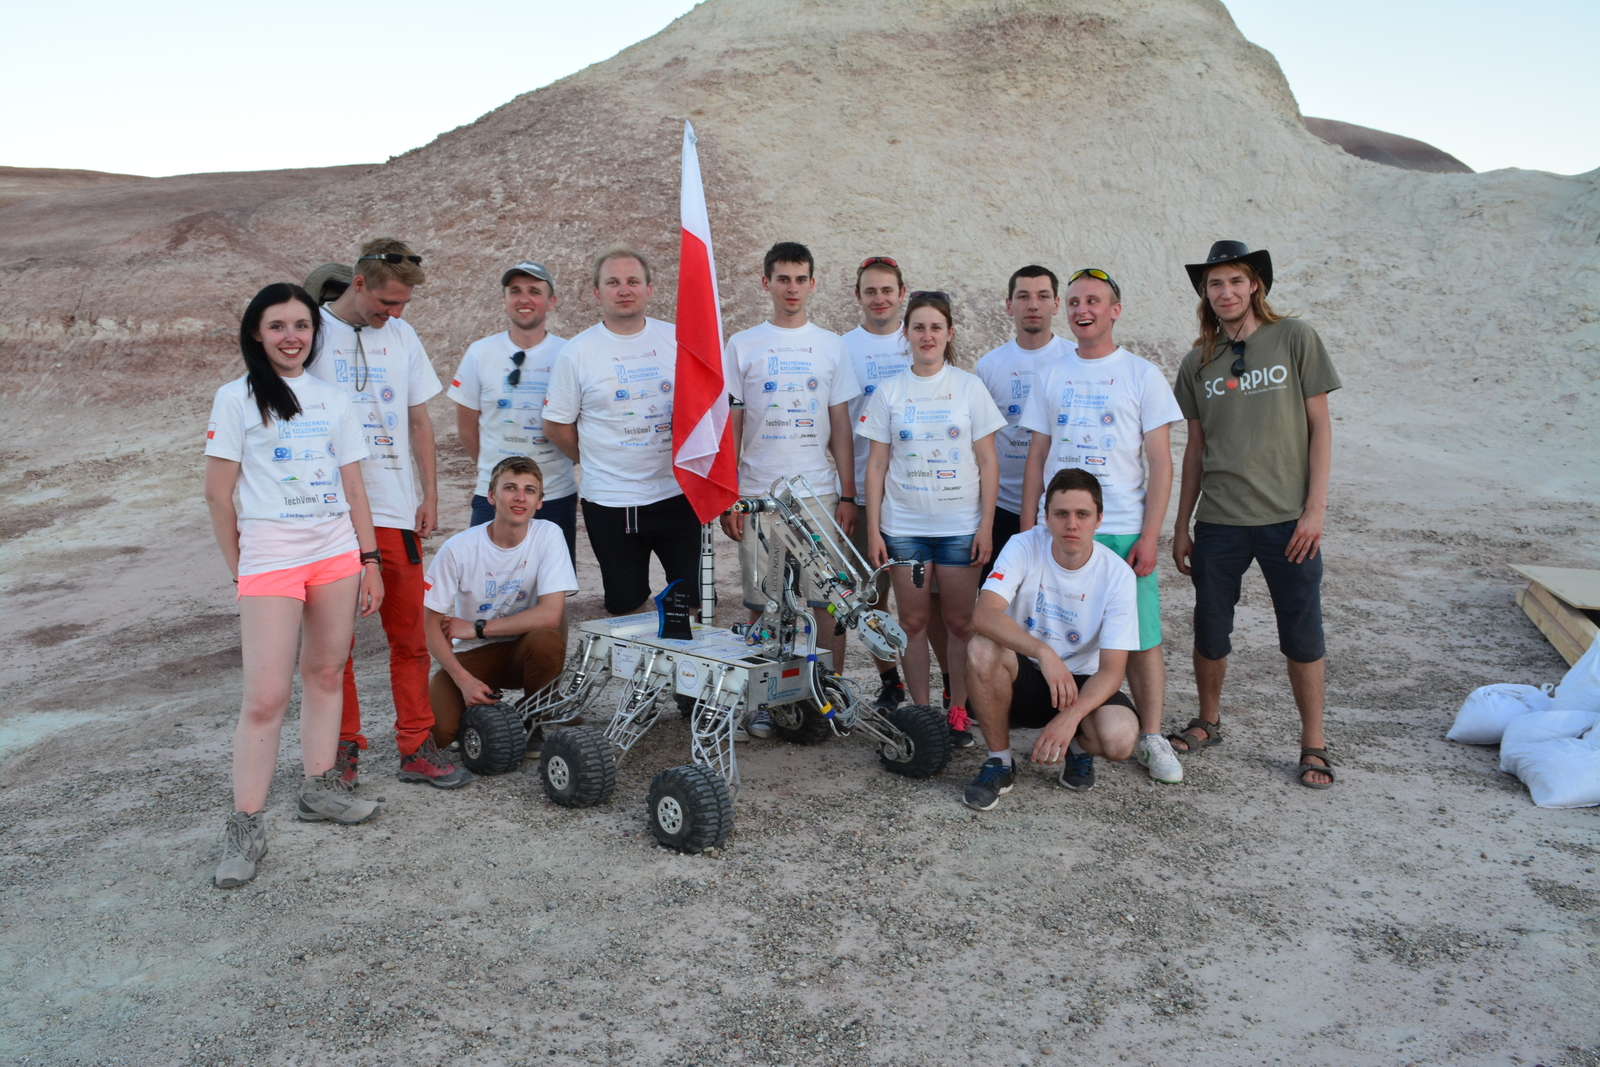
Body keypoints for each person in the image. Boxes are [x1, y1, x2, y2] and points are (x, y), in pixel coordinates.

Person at [204, 282, 385, 888]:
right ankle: (245, 827)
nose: (291, 337)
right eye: (277, 326)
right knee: (264, 698)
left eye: (302, 325)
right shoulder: (236, 398)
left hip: (336, 553)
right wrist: (243, 568)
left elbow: (354, 487)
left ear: (314, 332)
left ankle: (318, 789)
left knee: (326, 674)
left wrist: (370, 560)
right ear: (256, 333)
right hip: (271, 559)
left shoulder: (332, 399)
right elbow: (217, 495)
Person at [1171, 241, 1342, 789]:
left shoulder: (1294, 337)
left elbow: (1321, 427)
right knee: (1209, 625)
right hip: (1220, 519)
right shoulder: (1197, 361)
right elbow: (1195, 449)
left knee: (1301, 630)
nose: (1226, 292)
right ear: (1205, 293)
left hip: (1289, 520)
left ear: (1254, 286)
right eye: (1215, 284)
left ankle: (1313, 742)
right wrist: (1181, 524)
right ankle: (1208, 720)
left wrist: (1314, 509)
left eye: (1235, 281)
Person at [310, 237, 471, 790]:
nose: (395, 314)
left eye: (403, 304)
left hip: (395, 508)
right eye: (386, 303)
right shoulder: (311, 332)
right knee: (336, 646)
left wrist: (430, 494)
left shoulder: (402, 336)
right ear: (358, 283)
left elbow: (419, 420)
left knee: (409, 638)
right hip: (330, 516)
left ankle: (416, 745)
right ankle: (342, 748)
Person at [1017, 268, 1185, 786]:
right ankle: (1067, 725)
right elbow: (1036, 455)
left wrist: (1150, 535)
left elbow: (1161, 462)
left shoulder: (1142, 374)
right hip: (1058, 526)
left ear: (1115, 310)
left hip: (1123, 529)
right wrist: (1027, 527)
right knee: (1053, 626)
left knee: (1141, 637)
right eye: (1073, 302)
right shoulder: (1051, 374)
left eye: (1093, 300)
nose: (1081, 310)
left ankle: (1151, 735)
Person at [720, 242, 861, 738]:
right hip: (759, 492)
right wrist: (731, 494)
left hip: (817, 492)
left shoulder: (831, 345)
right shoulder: (743, 344)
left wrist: (848, 495)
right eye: (783, 279)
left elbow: (840, 424)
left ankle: (826, 694)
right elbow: (732, 423)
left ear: (812, 284)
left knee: (826, 601)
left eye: (801, 279)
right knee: (763, 602)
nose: (792, 288)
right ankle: (763, 703)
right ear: (767, 283)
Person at [862, 291, 1005, 747]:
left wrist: (986, 526)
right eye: (919, 327)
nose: (927, 336)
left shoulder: (969, 387)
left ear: (949, 334)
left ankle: (958, 712)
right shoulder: (889, 391)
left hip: (960, 527)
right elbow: (876, 466)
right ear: (906, 334)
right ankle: (922, 716)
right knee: (912, 623)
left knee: (961, 624)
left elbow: (988, 462)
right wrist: (873, 531)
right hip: (903, 529)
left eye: (936, 327)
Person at [961, 469, 1141, 811]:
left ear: (1099, 519)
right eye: (1061, 514)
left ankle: (1077, 748)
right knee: (981, 646)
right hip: (1026, 673)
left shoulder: (1118, 575)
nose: (1071, 524)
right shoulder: (1023, 545)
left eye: (1082, 514)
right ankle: (1000, 762)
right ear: (1046, 517)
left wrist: (1071, 717)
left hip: (1082, 683)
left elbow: (1112, 670)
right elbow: (983, 615)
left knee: (1120, 740)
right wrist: (1044, 653)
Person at [543, 245, 700, 616]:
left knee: (693, 604)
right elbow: (556, 425)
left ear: (650, 289)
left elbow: (704, 410)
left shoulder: (679, 341)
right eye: (613, 283)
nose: (624, 290)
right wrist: (596, 457)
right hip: (612, 503)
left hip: (678, 494)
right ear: (597, 293)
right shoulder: (577, 352)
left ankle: (688, 654)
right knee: (627, 608)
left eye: (633, 281)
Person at [842, 256, 952, 712]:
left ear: (901, 294)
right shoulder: (842, 348)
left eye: (887, 290)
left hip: (918, 493)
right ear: (858, 296)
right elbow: (837, 424)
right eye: (870, 290)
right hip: (864, 492)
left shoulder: (921, 338)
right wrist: (848, 492)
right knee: (871, 598)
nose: (879, 298)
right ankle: (891, 681)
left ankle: (951, 685)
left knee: (933, 602)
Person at [423, 456, 576, 746]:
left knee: (545, 640)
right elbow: (429, 623)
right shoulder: (458, 548)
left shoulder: (548, 535)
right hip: (474, 654)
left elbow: (551, 614)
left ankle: (534, 717)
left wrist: (477, 627)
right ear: (491, 496)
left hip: (522, 648)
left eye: (530, 490)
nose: (520, 498)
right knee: (438, 734)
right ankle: (484, 710)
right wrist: (463, 680)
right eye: (510, 488)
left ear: (539, 502)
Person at [448, 260, 578, 560]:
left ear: (551, 301)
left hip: (554, 495)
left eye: (534, 291)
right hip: (493, 496)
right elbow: (467, 428)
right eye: (515, 291)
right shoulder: (480, 353)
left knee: (552, 583)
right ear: (504, 299)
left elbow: (578, 424)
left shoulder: (570, 353)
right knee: (485, 578)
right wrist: (498, 473)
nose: (524, 299)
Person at [974, 265, 1074, 573]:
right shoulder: (989, 366)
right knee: (998, 595)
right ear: (1009, 305)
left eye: (1043, 296)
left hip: (1060, 506)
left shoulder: (1074, 360)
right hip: (1002, 506)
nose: (1033, 305)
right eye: (1023, 297)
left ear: (1056, 304)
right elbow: (980, 444)